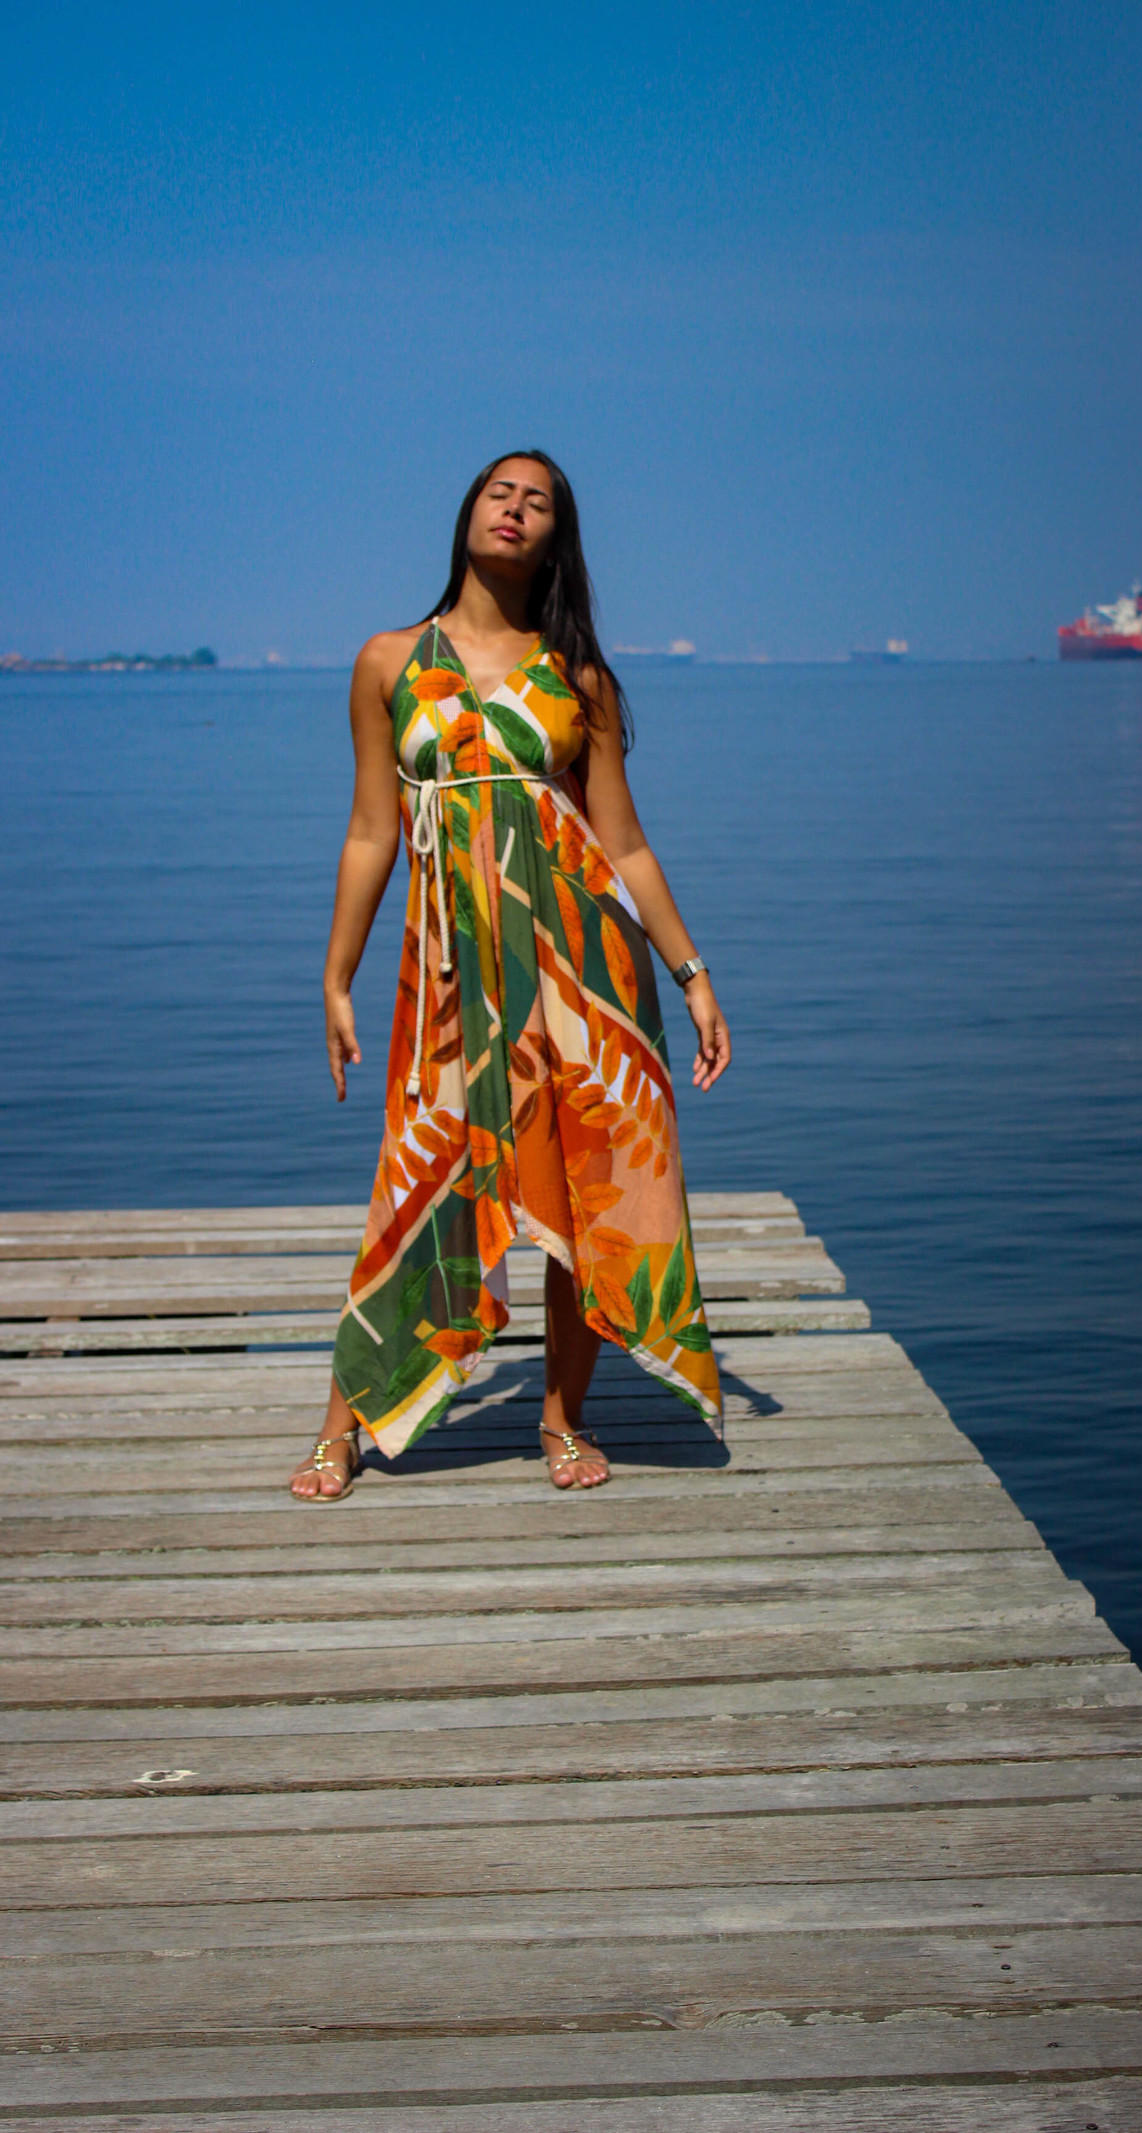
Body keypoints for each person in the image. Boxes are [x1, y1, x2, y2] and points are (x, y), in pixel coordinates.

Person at [291, 451, 731, 1502]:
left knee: (586, 1187)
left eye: (538, 502)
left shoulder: (580, 680)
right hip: (451, 980)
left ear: (553, 539)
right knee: (414, 1180)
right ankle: (344, 1424)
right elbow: (371, 832)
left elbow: (624, 844)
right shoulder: (389, 662)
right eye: (502, 492)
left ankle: (561, 1417)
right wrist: (337, 975)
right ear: (469, 514)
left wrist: (692, 974)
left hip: (583, 976)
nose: (516, 508)